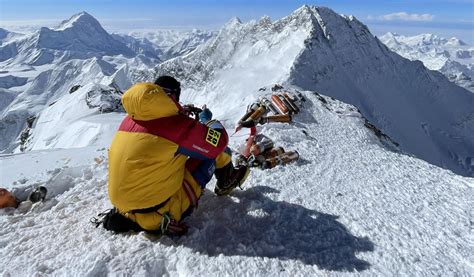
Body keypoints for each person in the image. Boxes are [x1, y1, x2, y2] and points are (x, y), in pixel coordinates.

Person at [105, 76, 249, 236]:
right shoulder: (177, 126)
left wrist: (179, 113)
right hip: (159, 213)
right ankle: (226, 181)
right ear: (174, 97)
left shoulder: (130, 118)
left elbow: (158, 135)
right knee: (216, 153)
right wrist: (207, 121)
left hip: (123, 209)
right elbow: (219, 142)